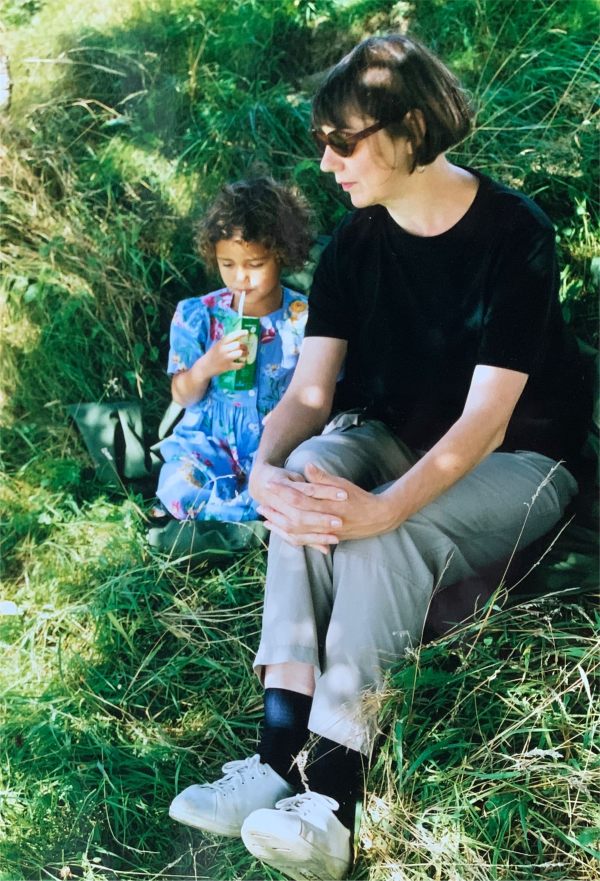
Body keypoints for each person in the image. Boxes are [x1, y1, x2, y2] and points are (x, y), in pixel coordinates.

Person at [168, 35, 590, 879]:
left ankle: (331, 800)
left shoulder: (516, 234)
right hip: (393, 433)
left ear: (414, 128)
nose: (326, 162)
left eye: (344, 140)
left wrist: (387, 506)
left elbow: (487, 419)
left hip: (523, 456)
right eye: (322, 139)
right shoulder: (355, 247)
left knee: (384, 533)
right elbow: (311, 394)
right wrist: (263, 469)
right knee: (308, 474)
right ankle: (275, 753)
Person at [156, 177, 311, 522]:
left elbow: (322, 390)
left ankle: (235, 516)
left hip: (276, 444)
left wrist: (290, 414)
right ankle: (243, 517)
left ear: (282, 255)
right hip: (208, 445)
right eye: (228, 264)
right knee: (180, 484)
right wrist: (206, 367)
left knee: (293, 481)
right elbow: (182, 396)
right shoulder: (199, 314)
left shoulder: (304, 319)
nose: (240, 277)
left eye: (255, 265)